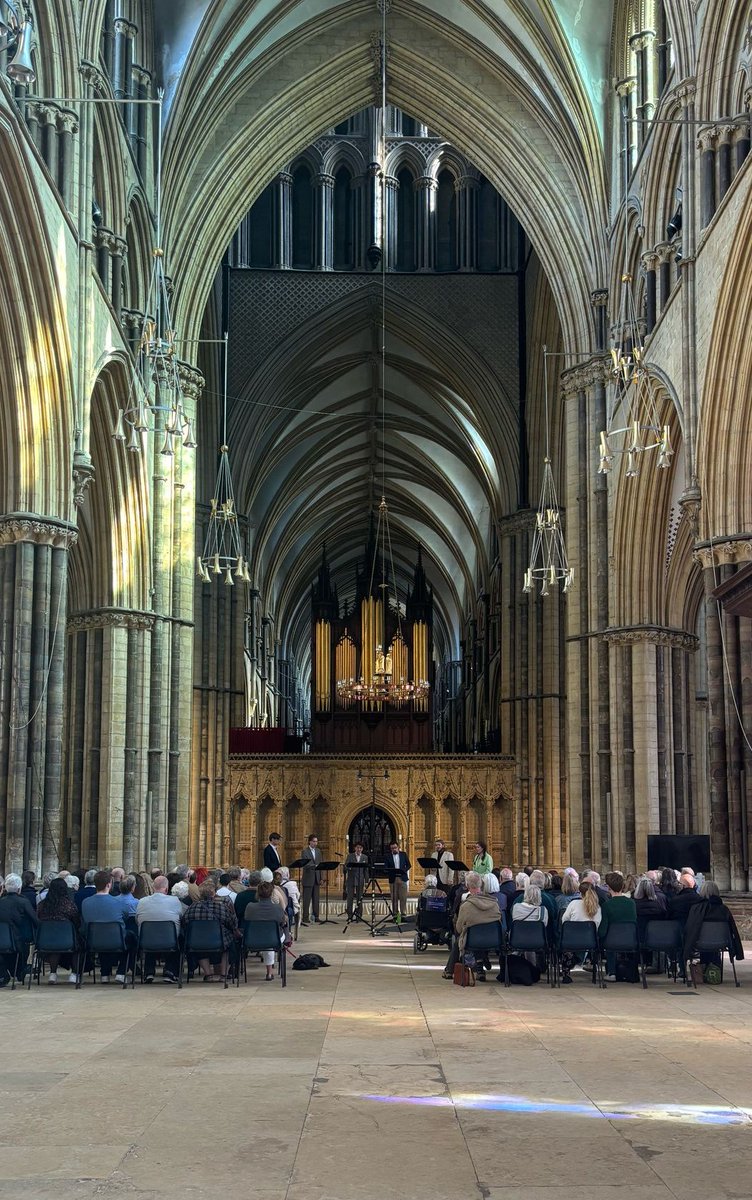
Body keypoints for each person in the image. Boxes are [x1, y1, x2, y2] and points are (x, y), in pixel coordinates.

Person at [442, 871, 501, 980]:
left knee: (462, 938)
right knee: (478, 933)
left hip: (472, 940)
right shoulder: (494, 904)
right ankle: (480, 968)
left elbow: (459, 928)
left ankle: (449, 970)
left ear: (467, 885)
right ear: (481, 884)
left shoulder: (466, 906)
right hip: (493, 939)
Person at [182, 877, 239, 982]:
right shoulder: (221, 907)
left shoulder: (193, 907)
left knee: (201, 947)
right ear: (214, 893)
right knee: (228, 946)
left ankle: (208, 974)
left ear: (200, 893)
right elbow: (232, 924)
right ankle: (223, 975)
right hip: (219, 941)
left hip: (197, 941)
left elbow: (184, 922)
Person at [683, 880, 744, 977]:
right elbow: (732, 928)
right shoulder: (724, 909)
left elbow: (690, 927)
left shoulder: (697, 908)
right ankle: (714, 970)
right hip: (721, 942)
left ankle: (705, 970)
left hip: (700, 941)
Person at [80, 870, 130, 982]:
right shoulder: (118, 902)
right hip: (115, 939)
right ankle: (121, 972)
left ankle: (105, 974)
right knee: (131, 939)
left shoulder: (86, 902)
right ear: (109, 885)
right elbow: (126, 915)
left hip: (92, 940)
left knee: (102, 934)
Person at [136, 874, 183, 982]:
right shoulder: (175, 900)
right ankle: (170, 971)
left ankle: (148, 972)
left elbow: (137, 920)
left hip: (146, 941)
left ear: (153, 887)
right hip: (170, 941)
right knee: (178, 937)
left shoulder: (142, 901)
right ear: (166, 889)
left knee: (150, 934)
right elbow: (180, 917)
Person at [37, 877, 81, 984]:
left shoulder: (42, 905)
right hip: (66, 940)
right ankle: (74, 974)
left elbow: (38, 920)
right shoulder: (69, 905)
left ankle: (53, 973)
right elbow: (77, 923)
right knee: (79, 943)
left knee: (55, 943)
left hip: (45, 940)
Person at [244, 880, 290, 980]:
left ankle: (269, 972)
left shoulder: (250, 907)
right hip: (273, 938)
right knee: (272, 936)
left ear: (257, 893)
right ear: (272, 893)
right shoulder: (277, 908)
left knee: (268, 936)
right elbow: (283, 923)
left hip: (253, 938)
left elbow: (246, 918)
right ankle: (269, 973)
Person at [0, 873, 38, 985]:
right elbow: (35, 920)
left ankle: (5, 973)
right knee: (25, 940)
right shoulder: (23, 901)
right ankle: (20, 971)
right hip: (18, 940)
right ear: (19, 889)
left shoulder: (1, 901)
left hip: (2, 939)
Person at [600, 871, 637, 982]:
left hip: (611, 942)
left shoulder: (607, 905)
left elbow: (603, 928)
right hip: (631, 940)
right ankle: (631, 972)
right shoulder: (631, 903)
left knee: (609, 938)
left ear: (608, 888)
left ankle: (612, 973)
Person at [386, 840, 410, 922]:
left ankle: (403, 915)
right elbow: (386, 867)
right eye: (392, 848)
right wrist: (390, 871)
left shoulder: (403, 854)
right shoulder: (388, 856)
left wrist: (404, 870)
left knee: (403, 897)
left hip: (402, 877)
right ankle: (395, 915)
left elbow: (409, 865)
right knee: (394, 898)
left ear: (398, 847)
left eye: (395, 848)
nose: (394, 849)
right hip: (393, 878)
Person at [301, 835, 322, 925]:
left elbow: (320, 865)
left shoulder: (318, 851)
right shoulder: (305, 851)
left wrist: (321, 878)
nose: (315, 843)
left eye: (316, 841)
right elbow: (306, 864)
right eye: (314, 841)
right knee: (307, 899)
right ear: (309, 841)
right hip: (308, 878)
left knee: (316, 899)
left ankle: (316, 916)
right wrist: (315, 866)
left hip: (316, 878)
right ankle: (305, 917)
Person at [343, 841, 367, 920]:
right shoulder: (350, 856)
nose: (359, 849)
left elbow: (366, 870)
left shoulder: (364, 857)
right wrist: (349, 867)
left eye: (360, 848)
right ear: (355, 848)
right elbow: (345, 866)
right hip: (351, 879)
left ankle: (359, 915)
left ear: (362, 849)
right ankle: (350, 915)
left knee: (359, 898)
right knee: (350, 898)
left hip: (360, 879)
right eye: (357, 848)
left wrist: (367, 881)